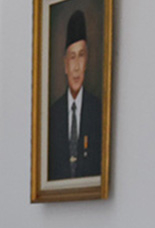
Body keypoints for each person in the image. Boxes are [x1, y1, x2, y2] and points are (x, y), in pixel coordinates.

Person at [48, 8, 102, 180]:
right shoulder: (52, 114)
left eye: (81, 56)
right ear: (65, 64)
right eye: (72, 57)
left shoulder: (98, 110)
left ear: (87, 61)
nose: (77, 67)